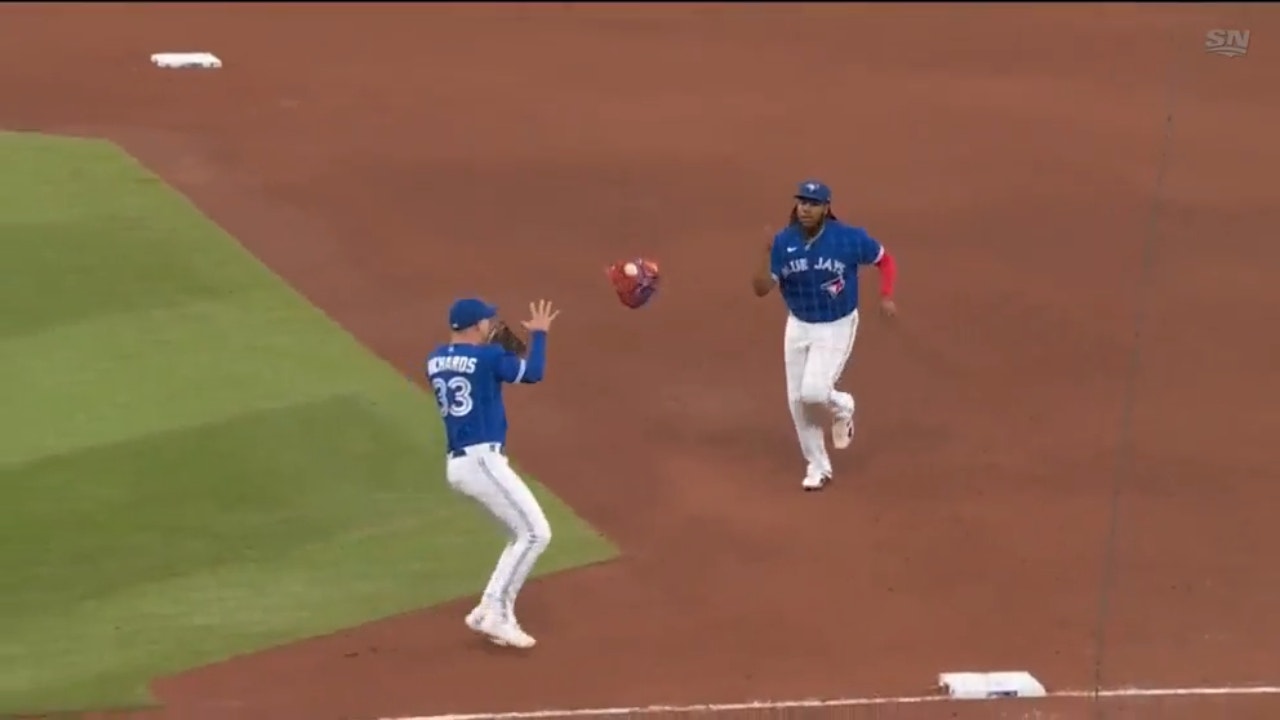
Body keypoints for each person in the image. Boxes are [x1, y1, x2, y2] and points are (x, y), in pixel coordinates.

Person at [425, 297, 561, 647]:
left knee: (520, 535)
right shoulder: (488, 358)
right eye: (488, 320)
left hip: (460, 463)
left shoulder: (435, 360)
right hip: (482, 461)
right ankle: (497, 614)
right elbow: (533, 373)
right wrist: (540, 336)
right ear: (475, 326)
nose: (493, 325)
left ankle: (488, 609)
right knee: (536, 534)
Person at [751, 180, 898, 491]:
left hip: (836, 324)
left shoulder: (848, 239)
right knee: (796, 401)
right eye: (802, 201)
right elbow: (761, 289)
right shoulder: (783, 242)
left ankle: (843, 407)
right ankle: (818, 466)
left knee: (815, 392)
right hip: (799, 324)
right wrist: (766, 254)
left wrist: (886, 295)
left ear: (826, 208)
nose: (806, 207)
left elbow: (885, 260)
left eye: (813, 203)